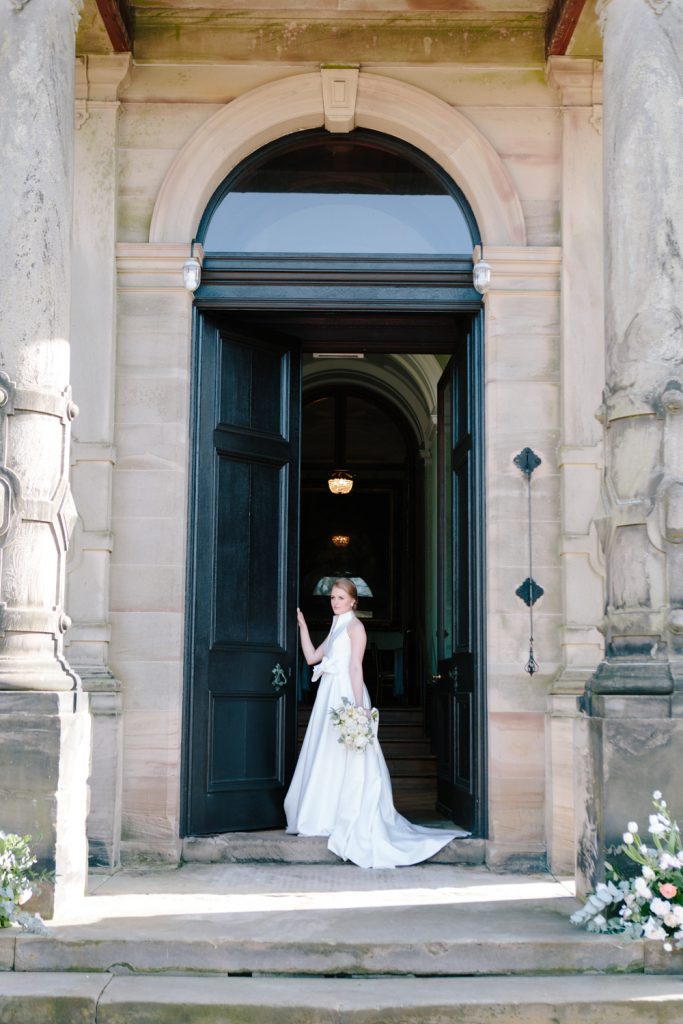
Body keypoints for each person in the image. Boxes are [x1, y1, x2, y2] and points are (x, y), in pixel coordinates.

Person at [284, 578, 468, 868]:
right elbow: (312, 658)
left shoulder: (356, 627)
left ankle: (348, 815)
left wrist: (359, 709)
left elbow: (356, 667)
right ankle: (323, 813)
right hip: (328, 695)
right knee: (327, 752)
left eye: (341, 598)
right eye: (332, 597)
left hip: (346, 693)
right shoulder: (335, 626)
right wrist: (303, 626)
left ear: (353, 601)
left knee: (351, 756)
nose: (335, 602)